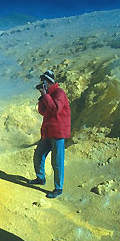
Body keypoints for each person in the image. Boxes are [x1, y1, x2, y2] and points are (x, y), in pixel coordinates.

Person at [28, 70, 71, 198]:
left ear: (49, 82)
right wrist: (43, 96)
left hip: (58, 133)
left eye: (44, 81)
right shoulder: (48, 94)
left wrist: (45, 96)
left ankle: (58, 188)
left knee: (57, 162)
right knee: (38, 155)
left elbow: (55, 109)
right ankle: (40, 178)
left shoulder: (59, 93)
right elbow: (42, 111)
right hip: (47, 132)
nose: (42, 84)